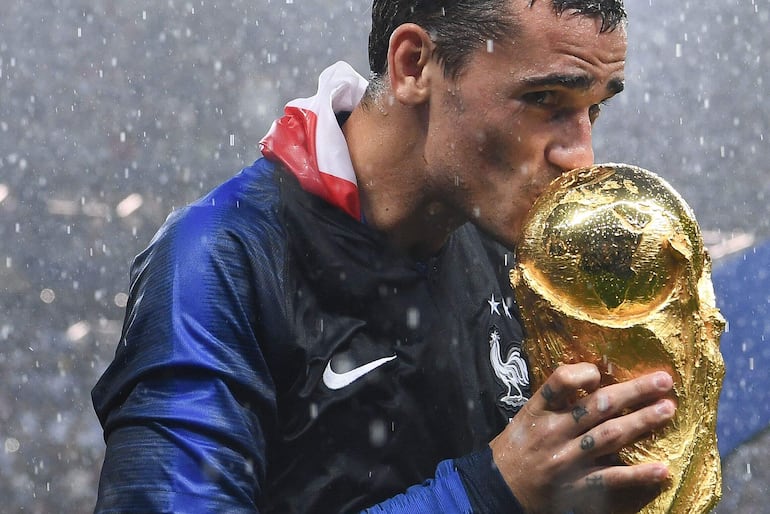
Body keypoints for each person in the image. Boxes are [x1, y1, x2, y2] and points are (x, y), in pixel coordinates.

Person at [92, 0, 677, 512]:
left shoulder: (521, 249)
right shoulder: (222, 259)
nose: (582, 157)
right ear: (413, 65)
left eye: (594, 108)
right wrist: (486, 494)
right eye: (544, 99)